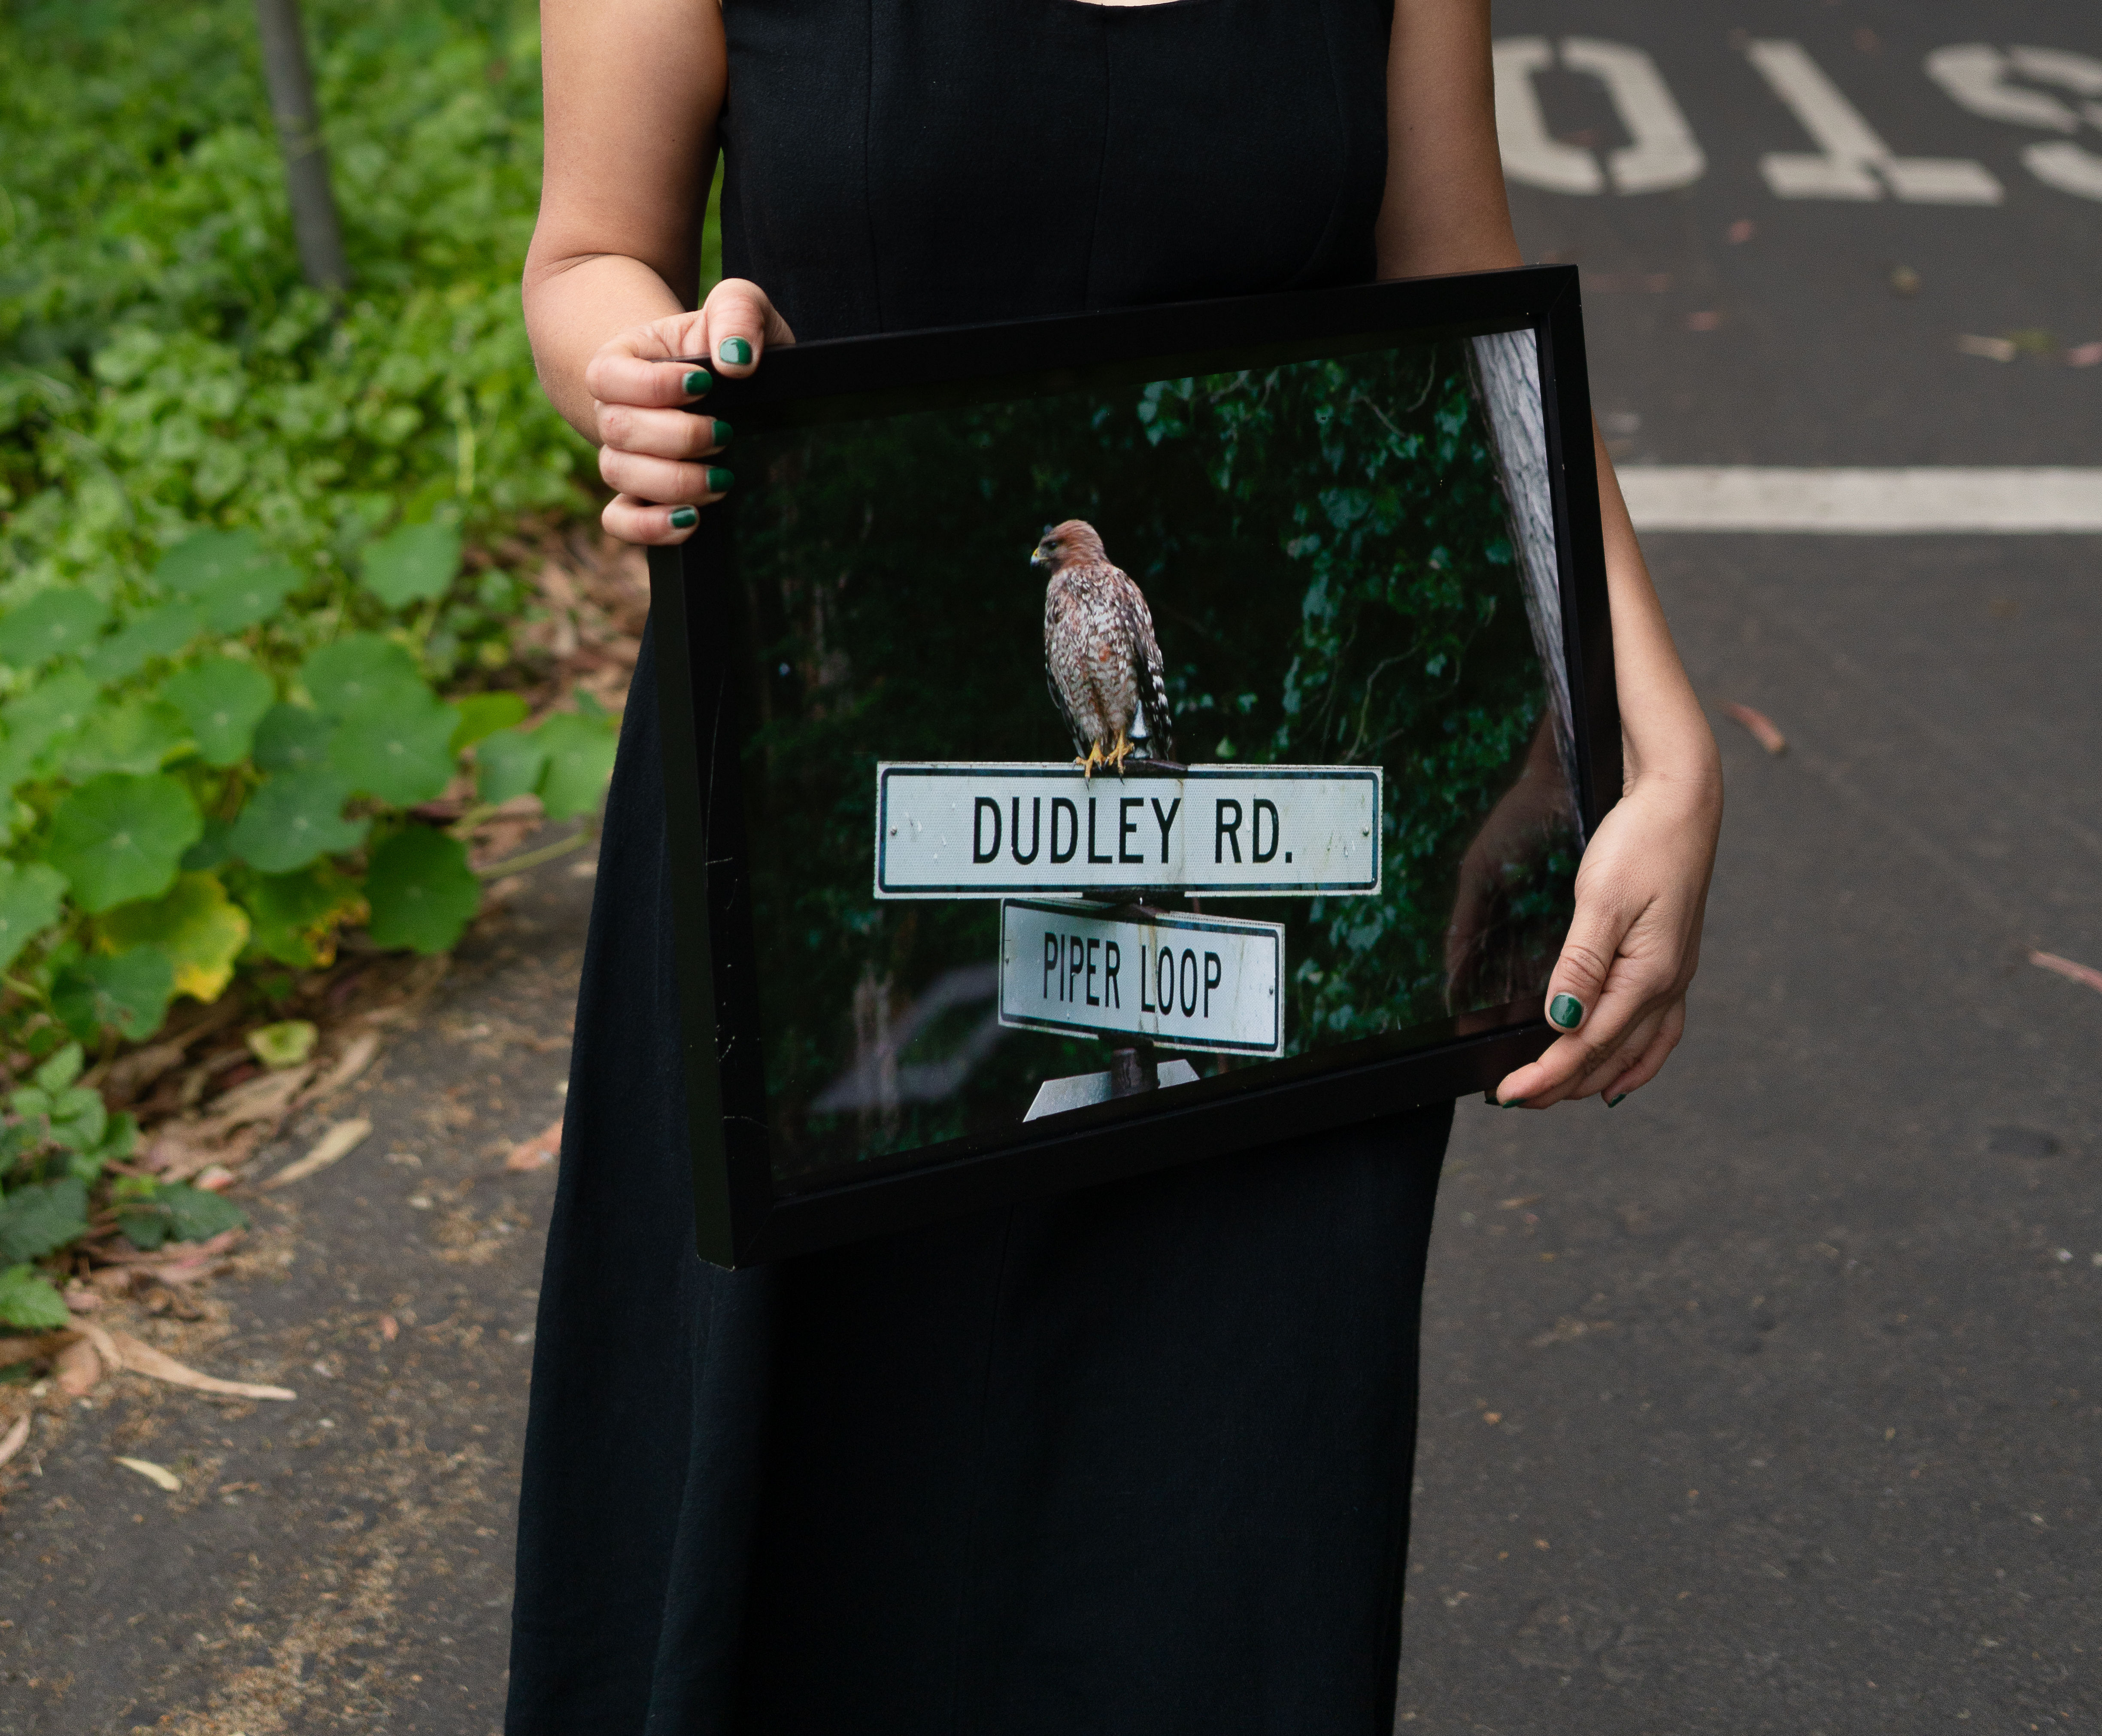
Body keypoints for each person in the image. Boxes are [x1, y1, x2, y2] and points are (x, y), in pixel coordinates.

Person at [509, 0, 1723, 1730]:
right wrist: (647, 369)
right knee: (813, 1558)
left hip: (1256, 899)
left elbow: (1457, 299)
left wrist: (1661, 750)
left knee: (1215, 1555)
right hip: (820, 841)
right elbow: (591, 254)